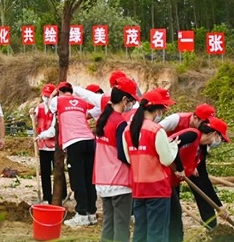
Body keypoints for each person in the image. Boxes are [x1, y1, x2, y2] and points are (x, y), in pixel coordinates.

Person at [123, 88, 179, 242]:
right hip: (157, 189)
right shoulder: (156, 130)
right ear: (157, 110)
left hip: (138, 188)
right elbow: (166, 159)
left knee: (140, 232)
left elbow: (129, 159)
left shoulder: (128, 130)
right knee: (157, 234)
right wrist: (173, 146)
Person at [160, 102, 224, 229]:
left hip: (184, 165)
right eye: (204, 122)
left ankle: (211, 225)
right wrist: (180, 167)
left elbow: (203, 174)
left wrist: (219, 205)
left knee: (201, 185)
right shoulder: (177, 121)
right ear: (195, 117)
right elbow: (159, 136)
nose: (206, 125)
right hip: (168, 164)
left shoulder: (203, 143)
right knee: (173, 206)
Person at [169, 117, 230, 242]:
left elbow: (204, 179)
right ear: (214, 133)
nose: (219, 142)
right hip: (162, 178)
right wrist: (180, 168)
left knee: (174, 216)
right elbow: (170, 145)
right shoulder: (192, 134)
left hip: (172, 181)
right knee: (174, 216)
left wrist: (219, 206)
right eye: (220, 138)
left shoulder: (201, 150)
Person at [93, 76, 138, 242]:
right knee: (121, 225)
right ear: (125, 100)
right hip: (119, 181)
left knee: (108, 223)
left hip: (103, 180)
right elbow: (122, 153)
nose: (132, 105)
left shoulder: (103, 119)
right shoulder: (120, 123)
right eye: (131, 101)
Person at [48, 81, 97, 227]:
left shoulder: (57, 101)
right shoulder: (82, 103)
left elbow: (50, 107)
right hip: (89, 140)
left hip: (74, 142)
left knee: (78, 179)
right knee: (89, 178)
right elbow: (88, 115)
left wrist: (52, 95)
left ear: (60, 92)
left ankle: (81, 214)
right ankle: (91, 213)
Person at [30, 83, 66, 204]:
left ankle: (62, 193)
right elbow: (34, 119)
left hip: (55, 146)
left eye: (48, 96)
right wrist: (32, 115)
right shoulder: (39, 107)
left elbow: (53, 129)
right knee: (45, 171)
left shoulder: (57, 109)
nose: (46, 98)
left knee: (58, 170)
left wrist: (41, 135)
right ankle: (46, 195)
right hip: (43, 146)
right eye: (44, 95)